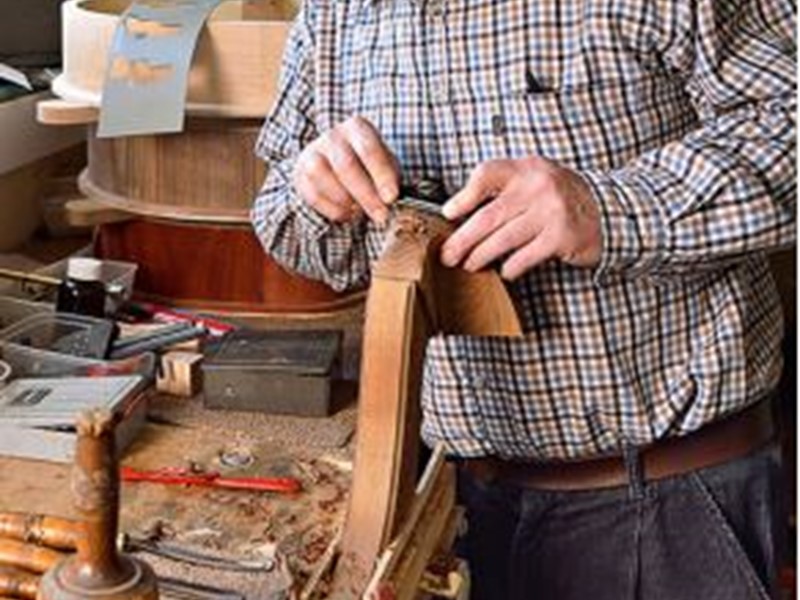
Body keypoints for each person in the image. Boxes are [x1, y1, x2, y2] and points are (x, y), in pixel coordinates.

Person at [251, 0, 796, 597]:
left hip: (666, 501)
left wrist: (608, 210)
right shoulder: (333, 15)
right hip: (450, 506)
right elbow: (284, 217)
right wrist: (316, 193)